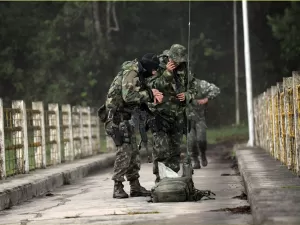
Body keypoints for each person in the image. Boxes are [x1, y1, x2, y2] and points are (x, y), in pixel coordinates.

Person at [104, 53, 163, 198]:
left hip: (126, 118)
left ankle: (135, 185)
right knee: (124, 152)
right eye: (154, 69)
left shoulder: (140, 75)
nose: (155, 72)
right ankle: (117, 186)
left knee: (134, 153)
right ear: (149, 67)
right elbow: (128, 96)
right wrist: (149, 94)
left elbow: (138, 97)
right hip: (117, 119)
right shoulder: (132, 72)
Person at [147, 44, 198, 183]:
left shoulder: (184, 68)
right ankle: (160, 178)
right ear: (169, 56)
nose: (178, 63)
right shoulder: (157, 65)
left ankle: (173, 177)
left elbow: (194, 86)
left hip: (178, 114)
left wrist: (188, 95)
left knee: (175, 149)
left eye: (180, 61)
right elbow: (152, 86)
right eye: (176, 60)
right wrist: (167, 73)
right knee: (161, 149)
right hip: (160, 114)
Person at [186, 77, 220, 169]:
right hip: (187, 119)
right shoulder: (178, 86)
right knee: (191, 141)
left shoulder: (200, 84)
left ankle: (203, 153)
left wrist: (206, 98)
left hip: (199, 117)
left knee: (201, 139)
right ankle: (194, 160)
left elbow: (215, 89)